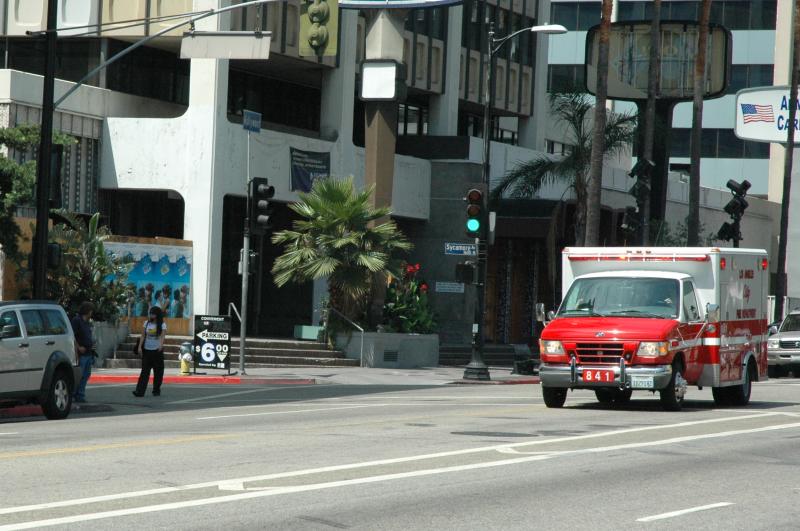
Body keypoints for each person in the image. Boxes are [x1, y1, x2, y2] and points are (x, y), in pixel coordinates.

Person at [132, 306, 167, 397]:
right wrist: (139, 347)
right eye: (150, 313)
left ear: (157, 315)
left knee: (158, 372)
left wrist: (161, 345)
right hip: (147, 351)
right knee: (144, 372)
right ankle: (139, 391)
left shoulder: (162, 325)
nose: (151, 315)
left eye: (153, 314)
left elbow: (162, 336)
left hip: (157, 351)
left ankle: (156, 390)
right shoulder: (146, 323)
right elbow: (143, 336)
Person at [70, 302, 95, 403]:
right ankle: (74, 394)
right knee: (79, 375)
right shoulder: (77, 320)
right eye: (91, 311)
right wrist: (78, 347)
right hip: (81, 353)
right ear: (87, 311)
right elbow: (72, 336)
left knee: (86, 374)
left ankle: (80, 394)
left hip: (88, 352)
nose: (91, 313)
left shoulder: (87, 322)